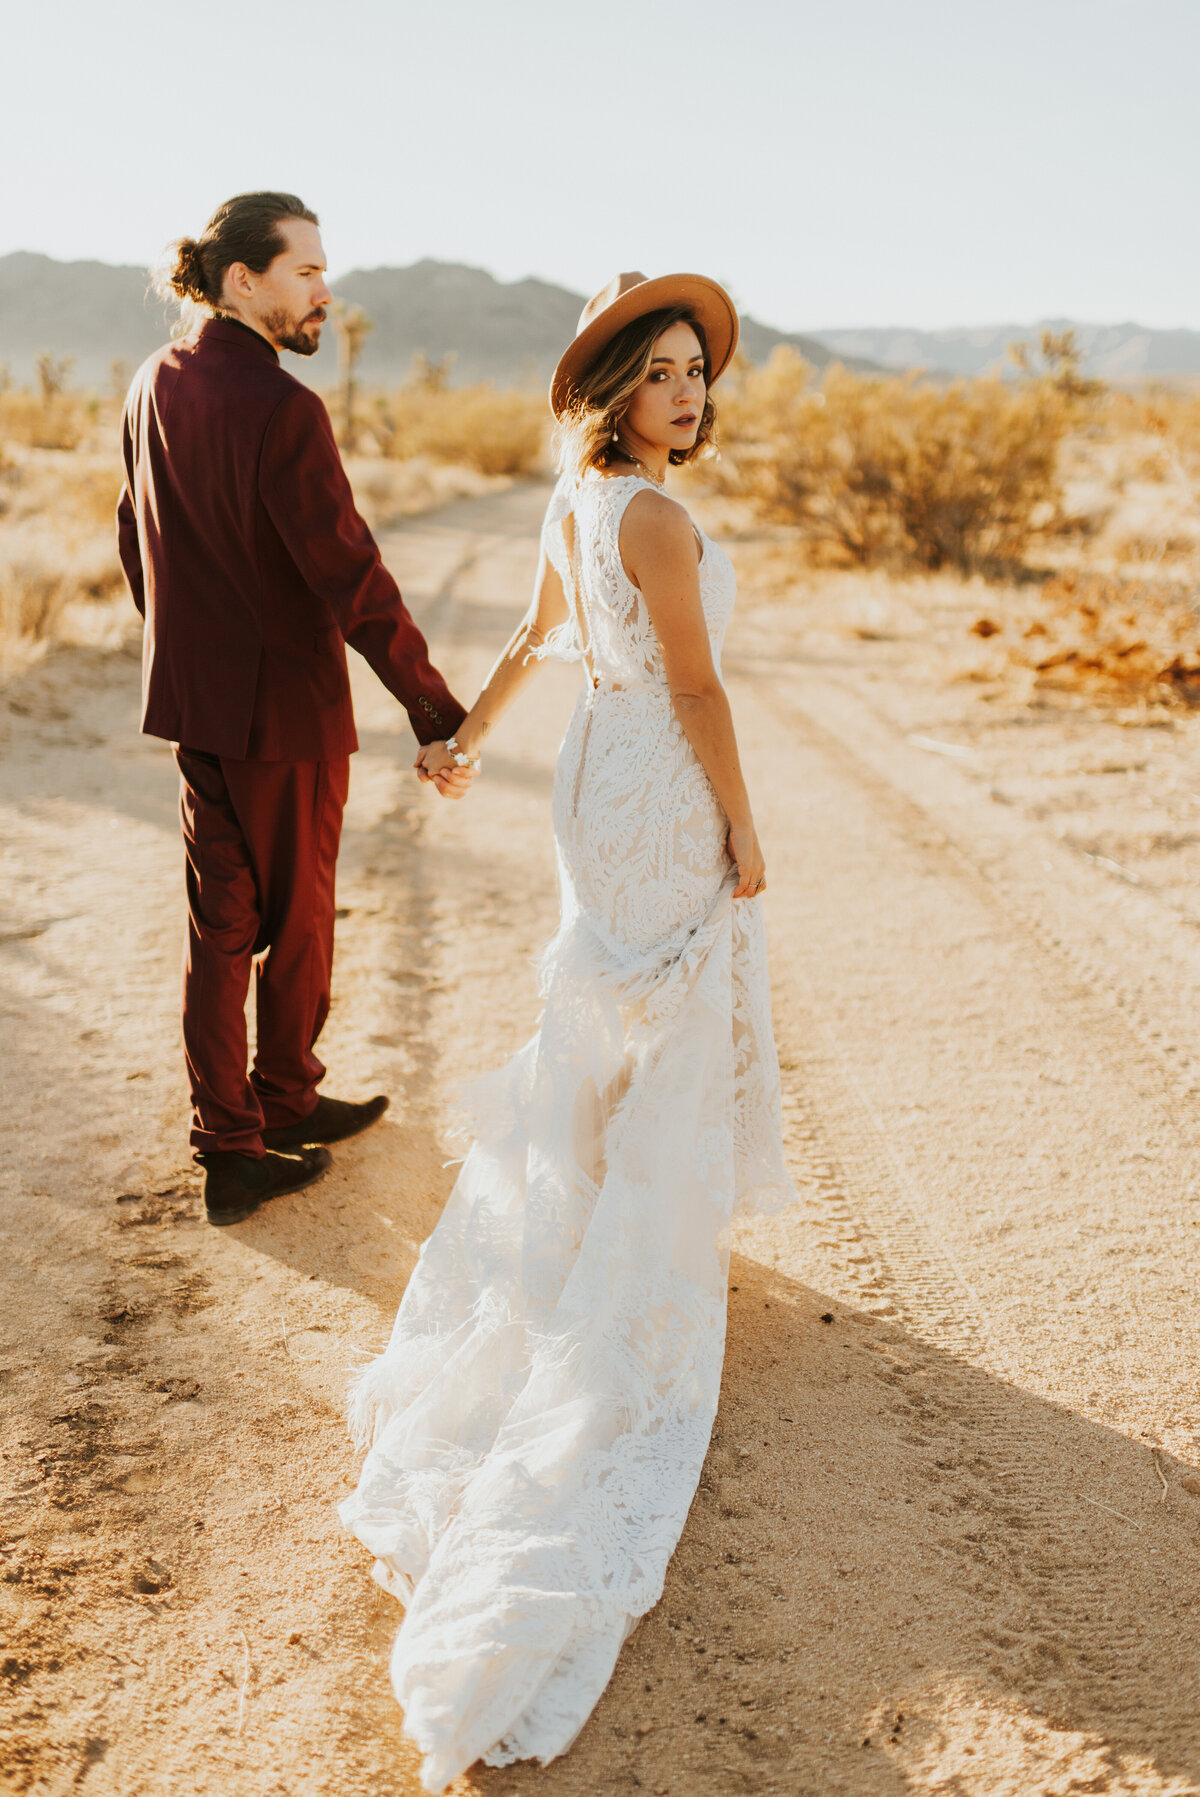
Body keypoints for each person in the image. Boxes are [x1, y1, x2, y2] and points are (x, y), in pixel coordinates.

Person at [341, 271, 796, 1791]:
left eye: (694, 373)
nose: (686, 393)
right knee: (661, 996)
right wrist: (741, 822)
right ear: (611, 389)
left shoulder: (575, 496)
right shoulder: (651, 518)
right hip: (658, 774)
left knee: (607, 996)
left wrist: (468, 738)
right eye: (659, 373)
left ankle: (590, 1197)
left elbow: (541, 641)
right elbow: (698, 682)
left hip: (594, 784)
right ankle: (628, 1241)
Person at [116, 192, 474, 1227]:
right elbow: (350, 576)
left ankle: (234, 1144)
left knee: (218, 930)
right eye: (306, 272)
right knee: (301, 919)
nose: (326, 291)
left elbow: (133, 538)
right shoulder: (282, 409)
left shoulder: (151, 381)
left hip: (197, 711)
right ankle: (282, 1098)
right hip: (287, 718)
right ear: (243, 282)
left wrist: (180, 648)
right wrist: (433, 711)